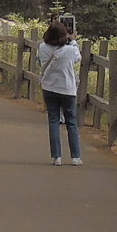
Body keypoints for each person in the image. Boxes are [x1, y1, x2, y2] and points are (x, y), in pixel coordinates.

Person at [35, 20, 82, 166]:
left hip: (49, 87)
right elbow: (78, 58)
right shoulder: (69, 49)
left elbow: (40, 62)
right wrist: (73, 41)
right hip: (67, 89)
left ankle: (56, 157)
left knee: (54, 120)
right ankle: (75, 157)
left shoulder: (42, 47)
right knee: (71, 122)